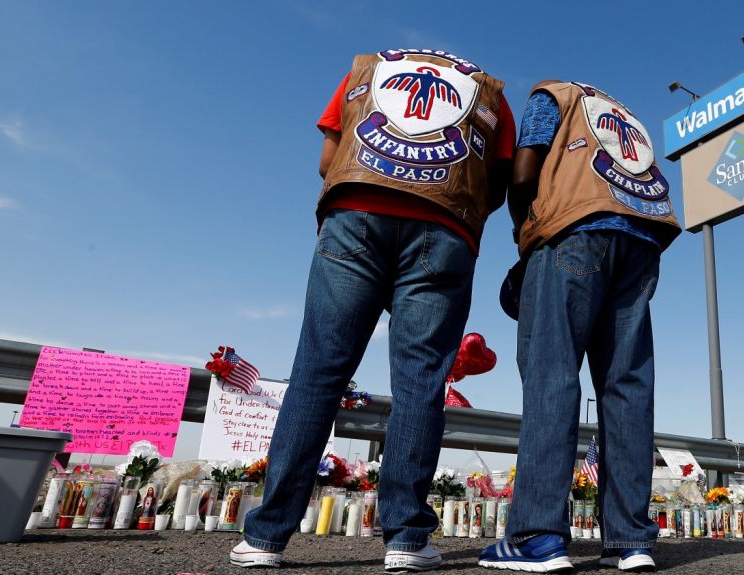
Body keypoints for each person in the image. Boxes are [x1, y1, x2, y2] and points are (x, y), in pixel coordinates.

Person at [230, 48, 514, 572]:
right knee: (421, 383)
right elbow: (495, 184)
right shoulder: (491, 91)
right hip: (445, 228)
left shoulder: (368, 69)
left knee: (318, 374)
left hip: (356, 212)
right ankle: (406, 539)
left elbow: (326, 159)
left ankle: (266, 537)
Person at [479, 81, 681, 573]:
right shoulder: (621, 111)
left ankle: (537, 536)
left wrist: (524, 233)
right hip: (640, 240)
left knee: (552, 374)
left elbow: (525, 174)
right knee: (627, 385)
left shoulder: (553, 95)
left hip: (574, 233)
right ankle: (632, 541)